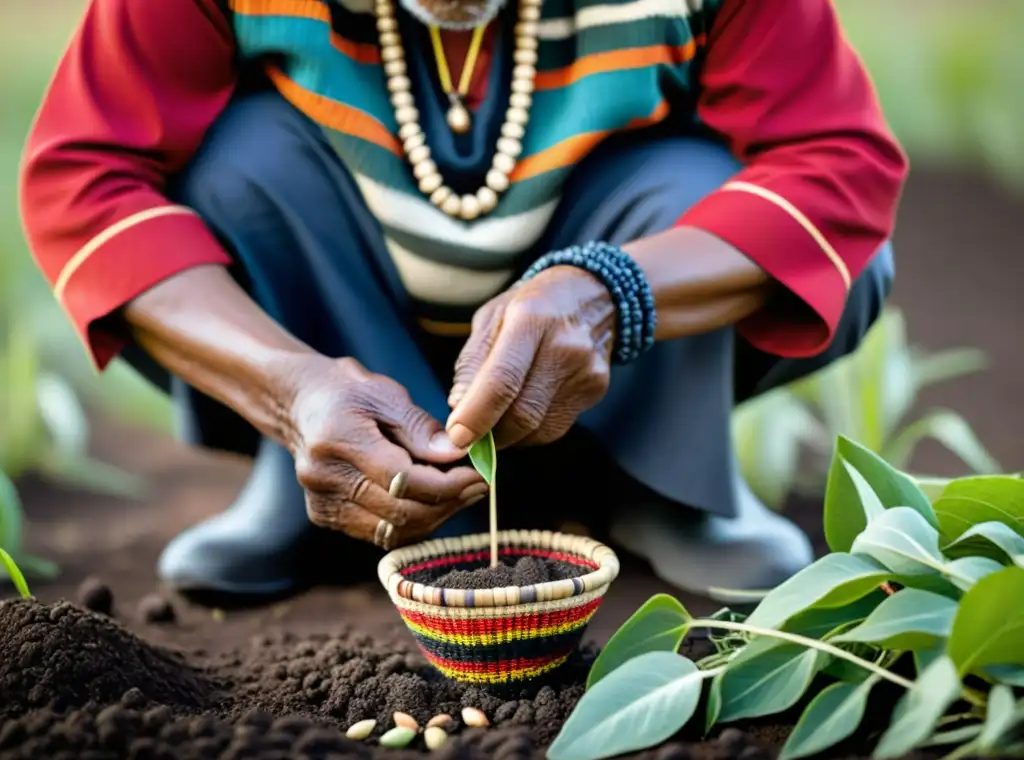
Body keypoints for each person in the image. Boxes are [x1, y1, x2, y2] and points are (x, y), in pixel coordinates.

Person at [19, 0, 906, 601]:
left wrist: (611, 293)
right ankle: (313, 473)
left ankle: (655, 475)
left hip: (632, 317)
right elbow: (86, 179)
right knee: (237, 164)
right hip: (328, 310)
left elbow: (837, 163)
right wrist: (290, 392)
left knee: (744, 204)